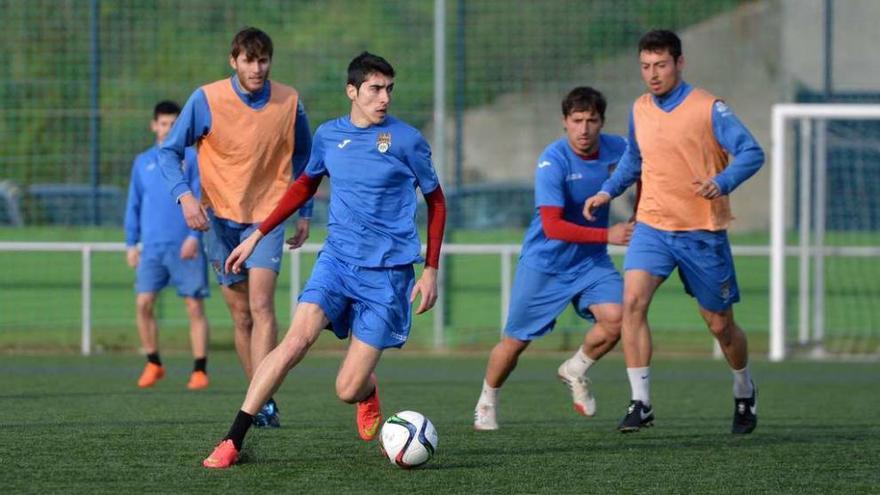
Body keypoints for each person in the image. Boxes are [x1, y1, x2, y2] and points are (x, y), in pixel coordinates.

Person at [201, 51, 447, 469]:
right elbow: (302, 186)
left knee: (346, 389)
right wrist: (256, 234)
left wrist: (431, 270)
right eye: (374, 88)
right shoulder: (330, 136)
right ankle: (232, 439)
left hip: (387, 277)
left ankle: (367, 393)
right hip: (336, 264)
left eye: (389, 88)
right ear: (352, 91)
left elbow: (437, 202)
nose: (383, 97)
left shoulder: (407, 140)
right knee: (293, 343)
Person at [583, 30, 765, 434]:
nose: (653, 74)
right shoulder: (640, 108)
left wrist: (722, 181)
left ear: (679, 63)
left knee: (720, 324)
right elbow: (633, 158)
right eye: (645, 66)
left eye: (660, 65)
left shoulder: (709, 108)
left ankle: (743, 388)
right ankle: (641, 402)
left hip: (702, 231)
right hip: (652, 226)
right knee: (632, 303)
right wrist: (606, 191)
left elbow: (752, 152)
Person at [159, 27, 313, 426]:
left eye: (263, 60)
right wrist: (186, 196)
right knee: (241, 315)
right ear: (234, 61)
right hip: (219, 220)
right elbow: (169, 151)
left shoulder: (289, 100)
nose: (257, 68)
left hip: (268, 217)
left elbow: (307, 161)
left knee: (262, 306)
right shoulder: (206, 99)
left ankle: (261, 402)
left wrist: (305, 212)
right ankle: (260, 399)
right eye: (249, 60)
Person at [473, 87, 634, 430]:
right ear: (564, 122)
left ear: (602, 122)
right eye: (577, 121)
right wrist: (609, 234)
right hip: (546, 264)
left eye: (592, 120)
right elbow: (553, 226)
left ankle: (575, 367)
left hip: (591, 262)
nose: (584, 129)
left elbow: (648, 161)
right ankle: (487, 399)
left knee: (619, 319)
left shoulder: (618, 148)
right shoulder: (553, 161)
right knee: (514, 344)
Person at [124, 100, 210, 390]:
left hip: (185, 245)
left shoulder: (192, 159)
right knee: (143, 303)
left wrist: (194, 237)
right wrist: (131, 243)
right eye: (163, 124)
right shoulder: (142, 162)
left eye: (174, 124)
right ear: (154, 125)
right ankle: (154, 363)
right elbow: (133, 205)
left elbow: (201, 196)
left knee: (194, 306)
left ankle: (199, 369)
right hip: (152, 248)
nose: (167, 129)